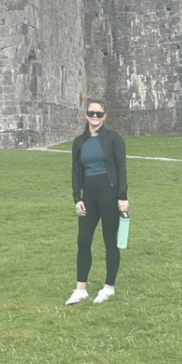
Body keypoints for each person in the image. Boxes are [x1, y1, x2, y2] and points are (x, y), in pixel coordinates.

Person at [66, 99, 129, 305]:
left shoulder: (113, 139)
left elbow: (121, 167)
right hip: (88, 197)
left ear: (105, 116)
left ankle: (109, 287)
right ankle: (80, 289)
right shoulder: (79, 142)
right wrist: (77, 198)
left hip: (109, 194)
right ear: (86, 114)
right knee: (83, 241)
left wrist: (122, 196)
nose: (94, 116)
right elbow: (76, 171)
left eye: (99, 114)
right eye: (91, 113)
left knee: (110, 240)